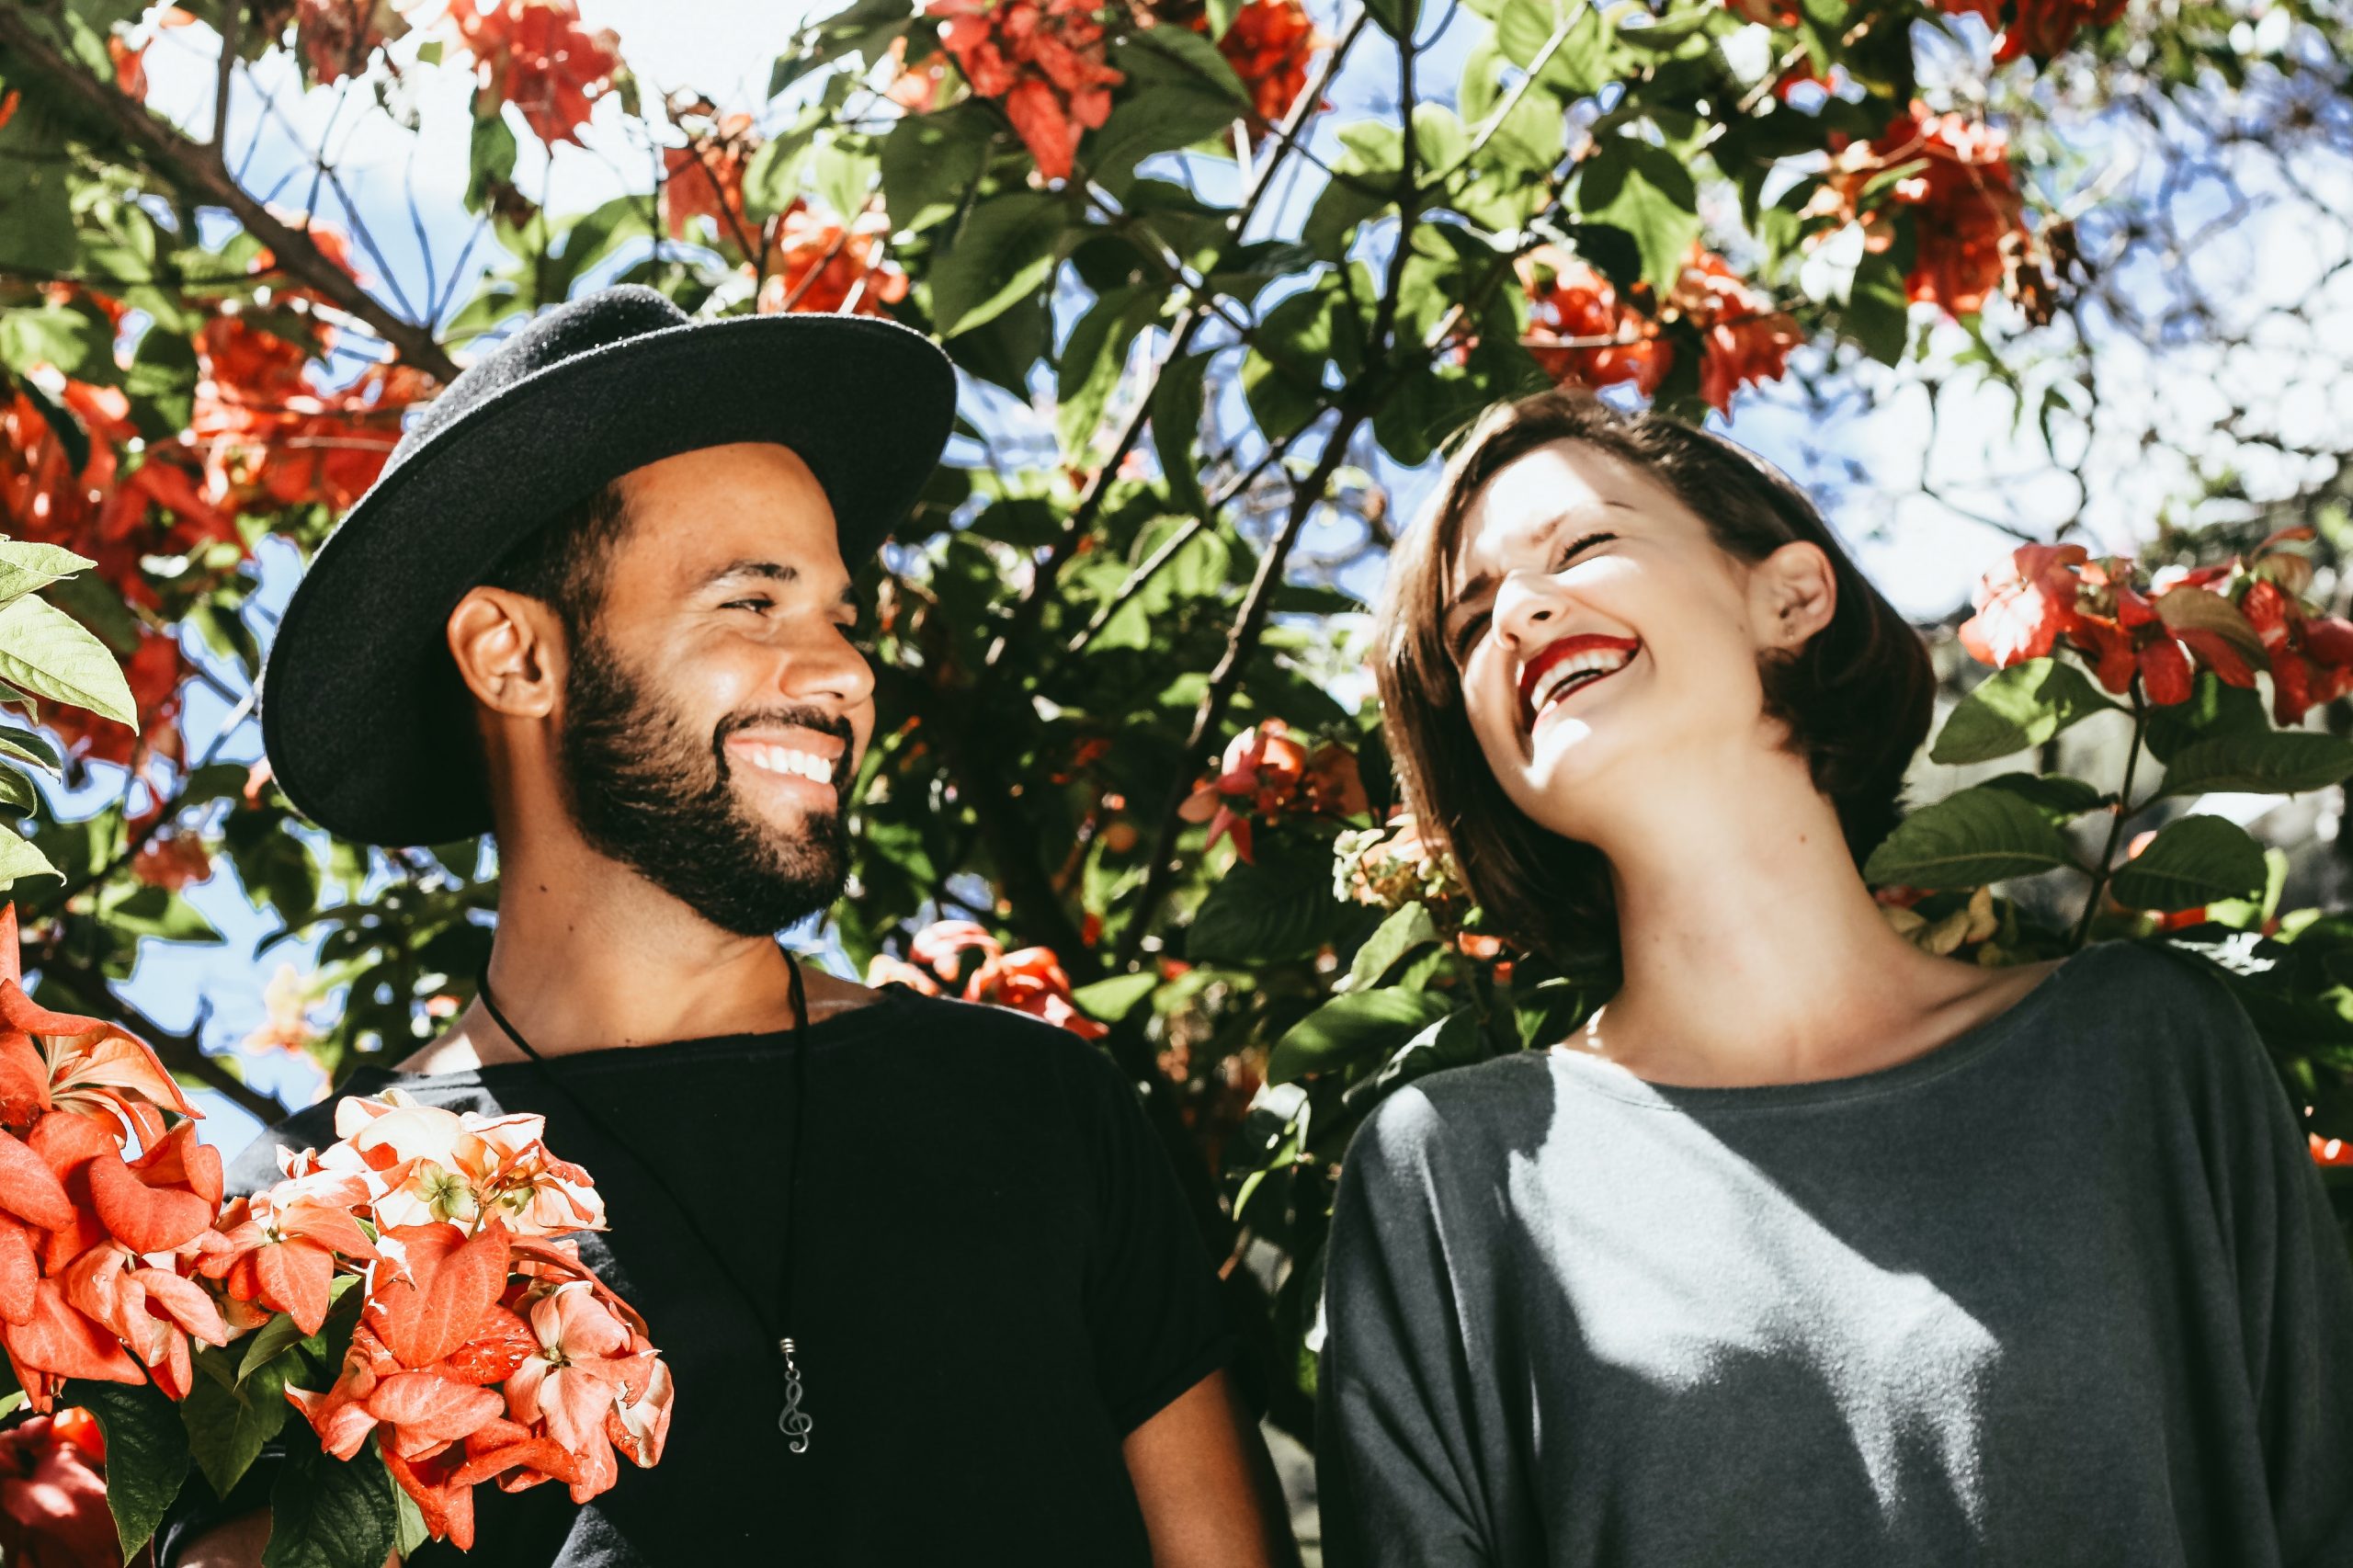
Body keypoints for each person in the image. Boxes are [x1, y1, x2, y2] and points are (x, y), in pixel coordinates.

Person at [163, 286, 1298, 1567]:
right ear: (512, 657)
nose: (845, 671)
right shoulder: (311, 1227)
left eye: (841, 617)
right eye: (753, 604)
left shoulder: (1040, 1106)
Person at [1315, 385, 2353, 1566]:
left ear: (1790, 596)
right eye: (1466, 624)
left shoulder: (2146, 1049)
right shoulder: (1456, 1174)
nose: (1518, 613)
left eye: (1584, 543)